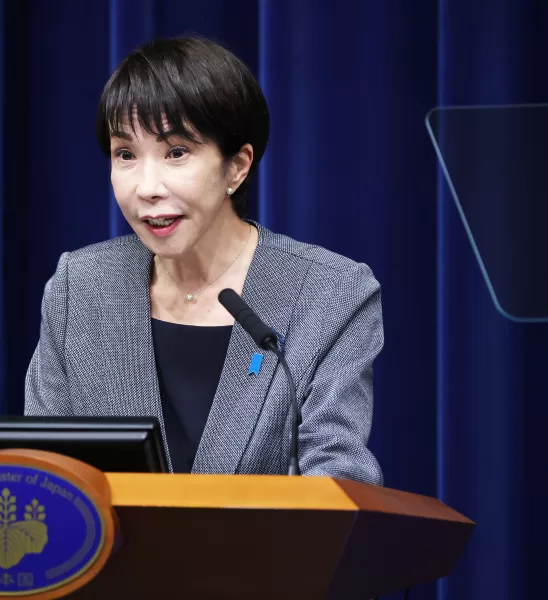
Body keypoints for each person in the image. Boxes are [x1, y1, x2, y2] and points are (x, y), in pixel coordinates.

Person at [24, 35, 383, 485]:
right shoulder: (81, 288)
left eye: (177, 152)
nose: (146, 187)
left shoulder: (330, 293)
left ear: (237, 166)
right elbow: (42, 473)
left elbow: (340, 482)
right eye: (126, 155)